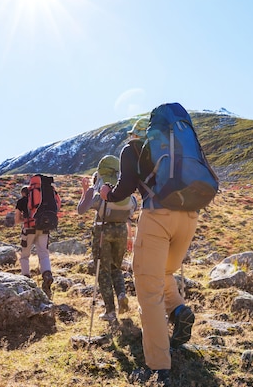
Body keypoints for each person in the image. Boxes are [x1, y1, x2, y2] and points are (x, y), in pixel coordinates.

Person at [100, 114, 198, 386]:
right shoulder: (175, 146)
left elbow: (125, 189)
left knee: (147, 288)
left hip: (158, 217)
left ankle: (158, 369)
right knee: (164, 272)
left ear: (135, 134)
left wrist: (107, 193)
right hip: (189, 217)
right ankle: (178, 311)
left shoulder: (132, 149)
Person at [78, 155, 136, 323]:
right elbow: (133, 209)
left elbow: (81, 210)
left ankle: (110, 311)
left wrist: (86, 191)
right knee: (116, 268)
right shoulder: (122, 189)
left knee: (102, 271)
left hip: (103, 232)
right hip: (121, 232)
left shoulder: (97, 189)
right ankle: (122, 295)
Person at [19, 177, 60, 299]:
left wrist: (26, 219)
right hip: (45, 227)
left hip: (29, 229)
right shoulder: (50, 192)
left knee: (25, 255)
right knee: (43, 254)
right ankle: (47, 275)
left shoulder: (24, 199)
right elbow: (58, 206)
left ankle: (25, 279)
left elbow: (17, 219)